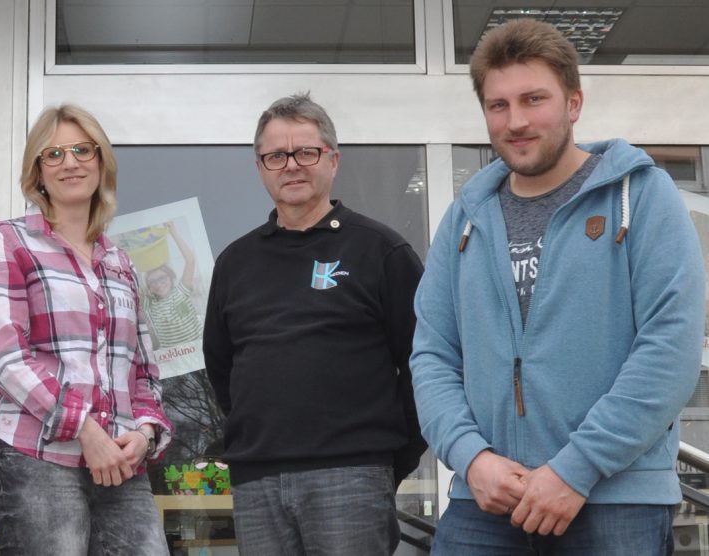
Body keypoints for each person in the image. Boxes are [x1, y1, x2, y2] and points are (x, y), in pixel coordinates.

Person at [411, 19, 705, 555]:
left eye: (534, 99)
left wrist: (575, 469)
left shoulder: (643, 196)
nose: (516, 120)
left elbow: (671, 350)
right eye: (498, 105)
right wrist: (470, 457)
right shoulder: (465, 219)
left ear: (573, 103)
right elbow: (432, 354)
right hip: (486, 502)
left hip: (616, 500)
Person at [203, 92, 427, 555]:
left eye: (306, 152)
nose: (291, 165)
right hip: (258, 483)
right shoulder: (235, 262)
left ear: (333, 160)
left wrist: (387, 459)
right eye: (276, 155)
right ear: (260, 166)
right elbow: (222, 368)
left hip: (352, 479)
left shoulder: (380, 251)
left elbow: (424, 363)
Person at [0, 104, 172, 555]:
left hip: (122, 468)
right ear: (37, 173)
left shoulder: (120, 262)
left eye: (83, 150)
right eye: (54, 154)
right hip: (37, 465)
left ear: (101, 162)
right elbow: (5, 357)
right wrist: (84, 429)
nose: (71, 162)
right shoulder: (7, 240)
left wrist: (144, 435)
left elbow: (144, 374)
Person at [142, 221, 203, 348]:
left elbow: (190, 260)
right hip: (174, 357)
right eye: (152, 282)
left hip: (198, 349)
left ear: (170, 278)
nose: (158, 284)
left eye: (162, 278)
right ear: (149, 288)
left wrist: (173, 232)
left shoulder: (181, 290)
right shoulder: (150, 303)